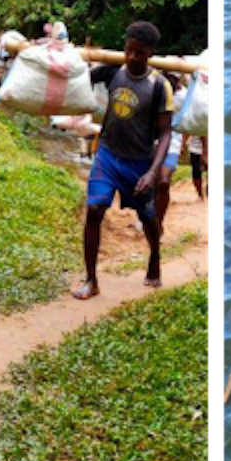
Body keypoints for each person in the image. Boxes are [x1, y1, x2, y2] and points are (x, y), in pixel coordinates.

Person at [72, 20, 174, 300]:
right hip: (107, 154)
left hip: (140, 161)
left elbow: (165, 134)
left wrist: (153, 173)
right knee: (94, 211)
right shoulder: (112, 73)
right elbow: (75, 78)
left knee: (148, 218)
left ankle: (155, 255)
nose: (132, 57)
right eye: (129, 50)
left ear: (150, 52)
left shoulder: (159, 87)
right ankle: (91, 280)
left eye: (139, 53)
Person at [155, 75, 187, 232]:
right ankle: (149, 217)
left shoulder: (184, 96)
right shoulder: (154, 89)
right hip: (149, 143)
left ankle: (158, 221)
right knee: (151, 184)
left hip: (172, 144)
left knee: (164, 182)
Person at [188, 133, 209, 200]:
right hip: (195, 148)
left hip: (197, 148)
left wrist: (206, 153)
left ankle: (201, 195)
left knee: (196, 172)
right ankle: (200, 195)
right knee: (196, 172)